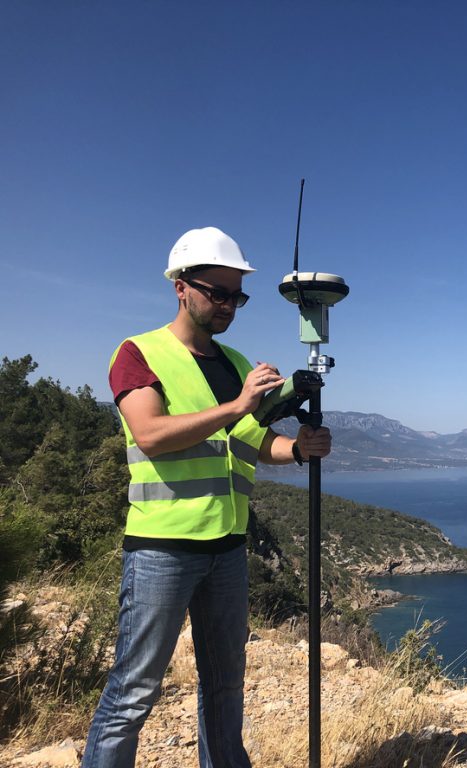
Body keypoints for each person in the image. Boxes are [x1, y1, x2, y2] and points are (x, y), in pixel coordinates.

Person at [82, 227, 331, 768]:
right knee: (134, 691)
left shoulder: (236, 363)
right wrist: (238, 405)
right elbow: (151, 434)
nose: (228, 306)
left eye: (237, 296)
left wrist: (297, 449)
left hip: (228, 547)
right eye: (217, 293)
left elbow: (250, 442)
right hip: (162, 548)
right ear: (181, 286)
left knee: (225, 685)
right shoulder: (138, 353)